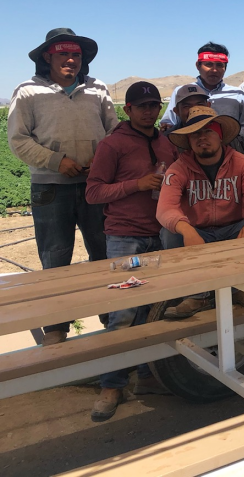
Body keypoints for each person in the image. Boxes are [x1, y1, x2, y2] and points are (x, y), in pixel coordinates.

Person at [8, 27, 118, 346]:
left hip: (95, 186)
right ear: (48, 57)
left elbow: (113, 132)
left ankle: (112, 316)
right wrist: (58, 161)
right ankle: (56, 329)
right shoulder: (27, 91)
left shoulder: (98, 90)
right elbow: (18, 140)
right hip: (50, 188)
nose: (71, 60)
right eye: (63, 54)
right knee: (55, 258)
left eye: (76, 55)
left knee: (104, 251)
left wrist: (102, 161)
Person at [85, 81, 176, 421]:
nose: (149, 111)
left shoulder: (166, 142)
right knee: (123, 313)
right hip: (125, 237)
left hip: (160, 235)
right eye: (142, 106)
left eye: (154, 105)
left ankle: (148, 377)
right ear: (128, 110)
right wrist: (136, 185)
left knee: (153, 312)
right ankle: (111, 385)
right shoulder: (112, 145)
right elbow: (93, 193)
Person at [157, 107, 244, 318]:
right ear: (189, 140)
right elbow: (165, 209)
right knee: (170, 232)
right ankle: (196, 294)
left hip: (232, 229)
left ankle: (243, 287)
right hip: (199, 231)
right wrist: (187, 230)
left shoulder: (243, 163)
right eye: (195, 134)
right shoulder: (178, 168)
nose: (202, 138)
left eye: (208, 131)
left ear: (220, 136)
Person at [160, 42, 244, 152]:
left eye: (219, 65)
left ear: (225, 68)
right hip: (189, 153)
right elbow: (169, 124)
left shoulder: (237, 94)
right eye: (209, 64)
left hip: (229, 153)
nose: (214, 70)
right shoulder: (181, 92)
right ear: (198, 65)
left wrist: (225, 133)